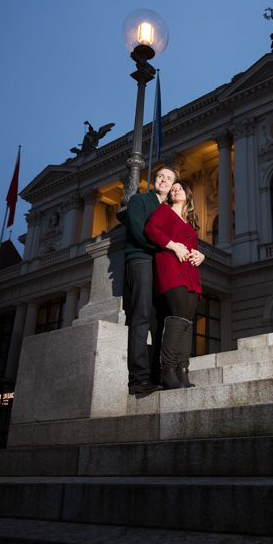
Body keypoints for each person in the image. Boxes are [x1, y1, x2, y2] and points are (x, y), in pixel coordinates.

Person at [123, 166, 203, 395]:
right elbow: (140, 231)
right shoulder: (140, 200)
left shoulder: (169, 209)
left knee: (161, 320)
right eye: (161, 177)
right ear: (154, 181)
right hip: (141, 260)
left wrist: (196, 254)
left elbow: (185, 241)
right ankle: (139, 378)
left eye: (170, 179)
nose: (165, 181)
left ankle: (159, 374)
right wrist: (168, 247)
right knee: (140, 317)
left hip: (162, 265)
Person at [144, 180, 203, 389]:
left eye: (180, 188)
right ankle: (167, 372)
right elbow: (151, 230)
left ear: (187, 194)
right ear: (170, 195)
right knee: (177, 317)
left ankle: (182, 372)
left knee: (187, 321)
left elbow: (194, 248)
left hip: (191, 274)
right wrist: (172, 246)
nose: (176, 190)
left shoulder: (190, 223)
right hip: (170, 267)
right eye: (174, 189)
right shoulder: (163, 211)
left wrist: (200, 255)